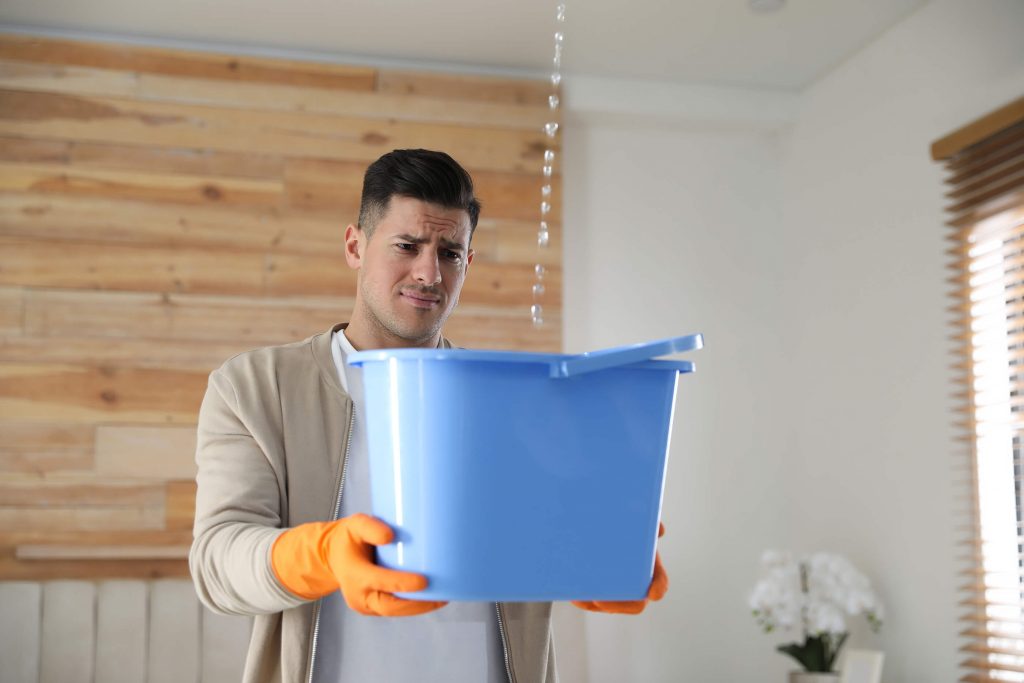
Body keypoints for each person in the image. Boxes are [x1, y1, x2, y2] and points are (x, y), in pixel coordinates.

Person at [189, 149, 668, 683]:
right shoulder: (255, 389)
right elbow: (217, 562)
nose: (428, 272)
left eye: (450, 253)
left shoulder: (510, 399)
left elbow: (539, 542)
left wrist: (596, 560)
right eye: (407, 246)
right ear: (355, 246)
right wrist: (321, 554)